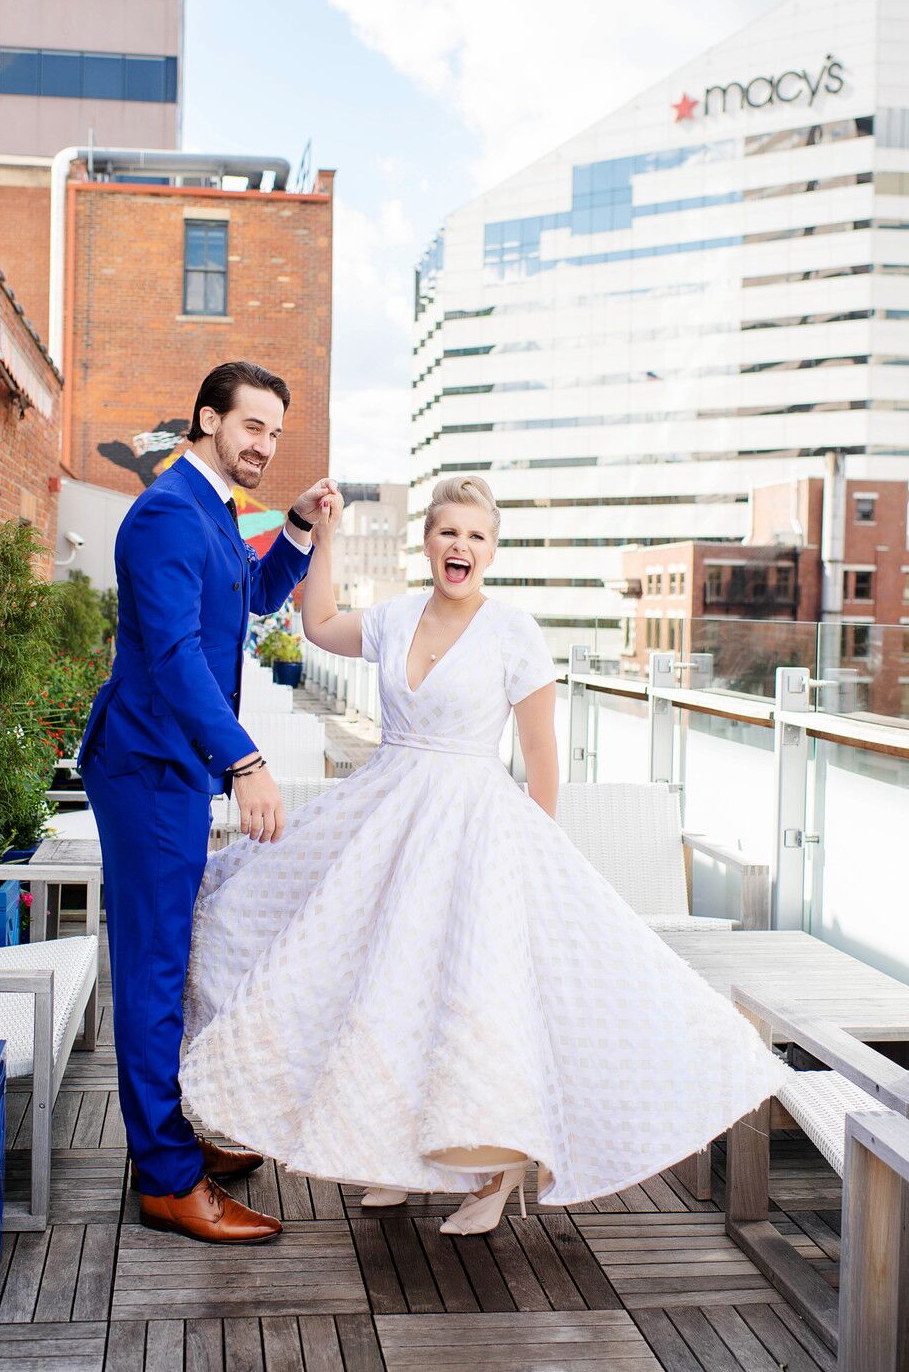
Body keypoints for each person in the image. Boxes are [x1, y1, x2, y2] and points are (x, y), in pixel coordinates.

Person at [179, 474, 787, 1235]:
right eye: (446, 532)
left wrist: (536, 861)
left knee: (470, 995)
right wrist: (324, 537)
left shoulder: (514, 633)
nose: (458, 546)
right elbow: (320, 624)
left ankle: (495, 1174)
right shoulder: (398, 616)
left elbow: (541, 757)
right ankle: (396, 1160)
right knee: (377, 980)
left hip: (476, 827)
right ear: (427, 542)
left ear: (490, 551)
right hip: (389, 815)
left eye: (475, 535)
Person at [80, 359, 338, 1244]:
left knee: (169, 960)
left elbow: (252, 595)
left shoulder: (216, 512)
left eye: (274, 431)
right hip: (151, 768)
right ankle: (165, 1179)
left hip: (173, 767)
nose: (264, 444)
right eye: (250, 426)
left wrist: (297, 530)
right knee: (152, 971)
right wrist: (246, 760)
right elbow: (176, 656)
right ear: (205, 419)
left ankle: (170, 1135)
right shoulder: (163, 514)